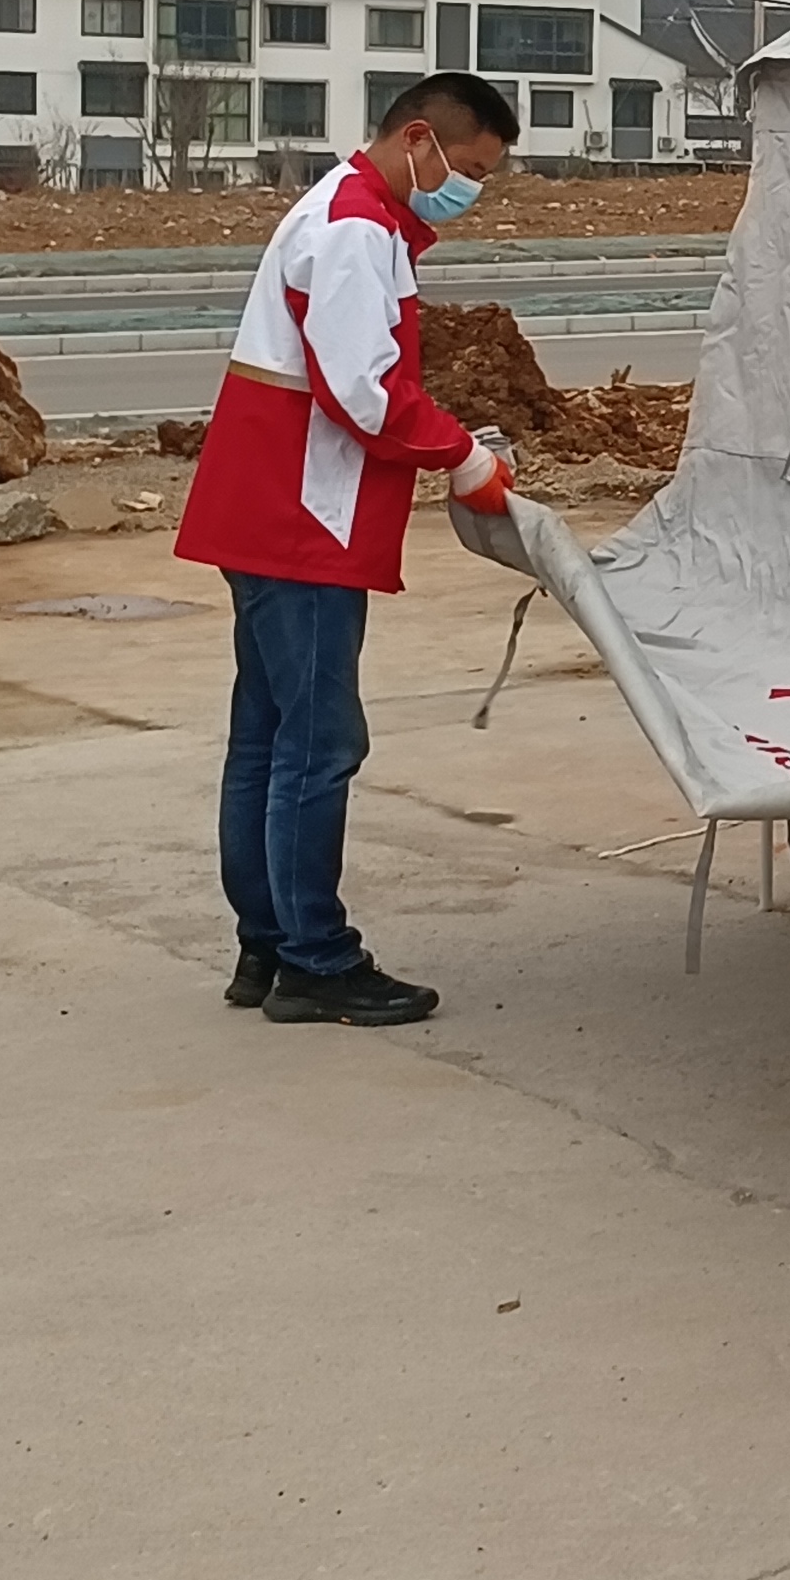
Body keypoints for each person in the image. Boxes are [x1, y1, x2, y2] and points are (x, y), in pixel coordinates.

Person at [177, 74, 521, 1028]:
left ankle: (267, 943)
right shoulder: (359, 229)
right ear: (422, 140)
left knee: (267, 738)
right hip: (305, 519)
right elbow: (363, 393)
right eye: (472, 169)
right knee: (321, 743)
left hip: (261, 512)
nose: (471, 191)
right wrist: (461, 457)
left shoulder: (335, 208)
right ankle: (317, 959)